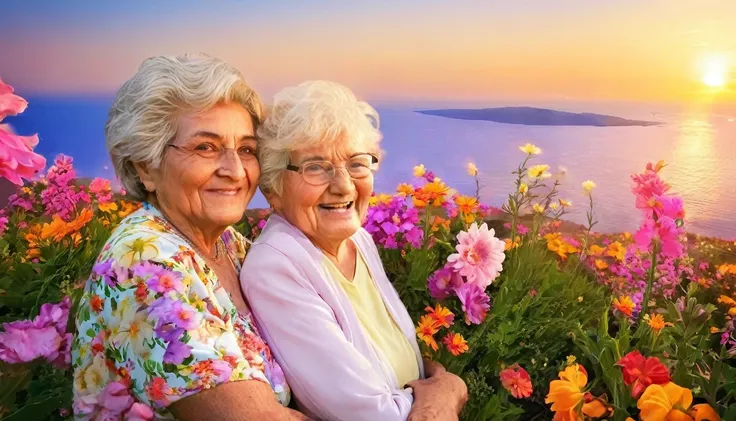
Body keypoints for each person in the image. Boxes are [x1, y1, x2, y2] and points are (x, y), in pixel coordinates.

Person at [71, 54, 309, 420]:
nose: (234, 170)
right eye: (205, 147)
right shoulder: (143, 266)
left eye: (246, 149)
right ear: (145, 167)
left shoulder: (229, 245)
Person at [240, 80, 468, 421]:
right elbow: (371, 415)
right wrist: (448, 394)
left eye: (357, 163)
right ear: (273, 188)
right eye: (315, 167)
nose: (344, 185)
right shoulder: (275, 267)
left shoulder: (356, 240)